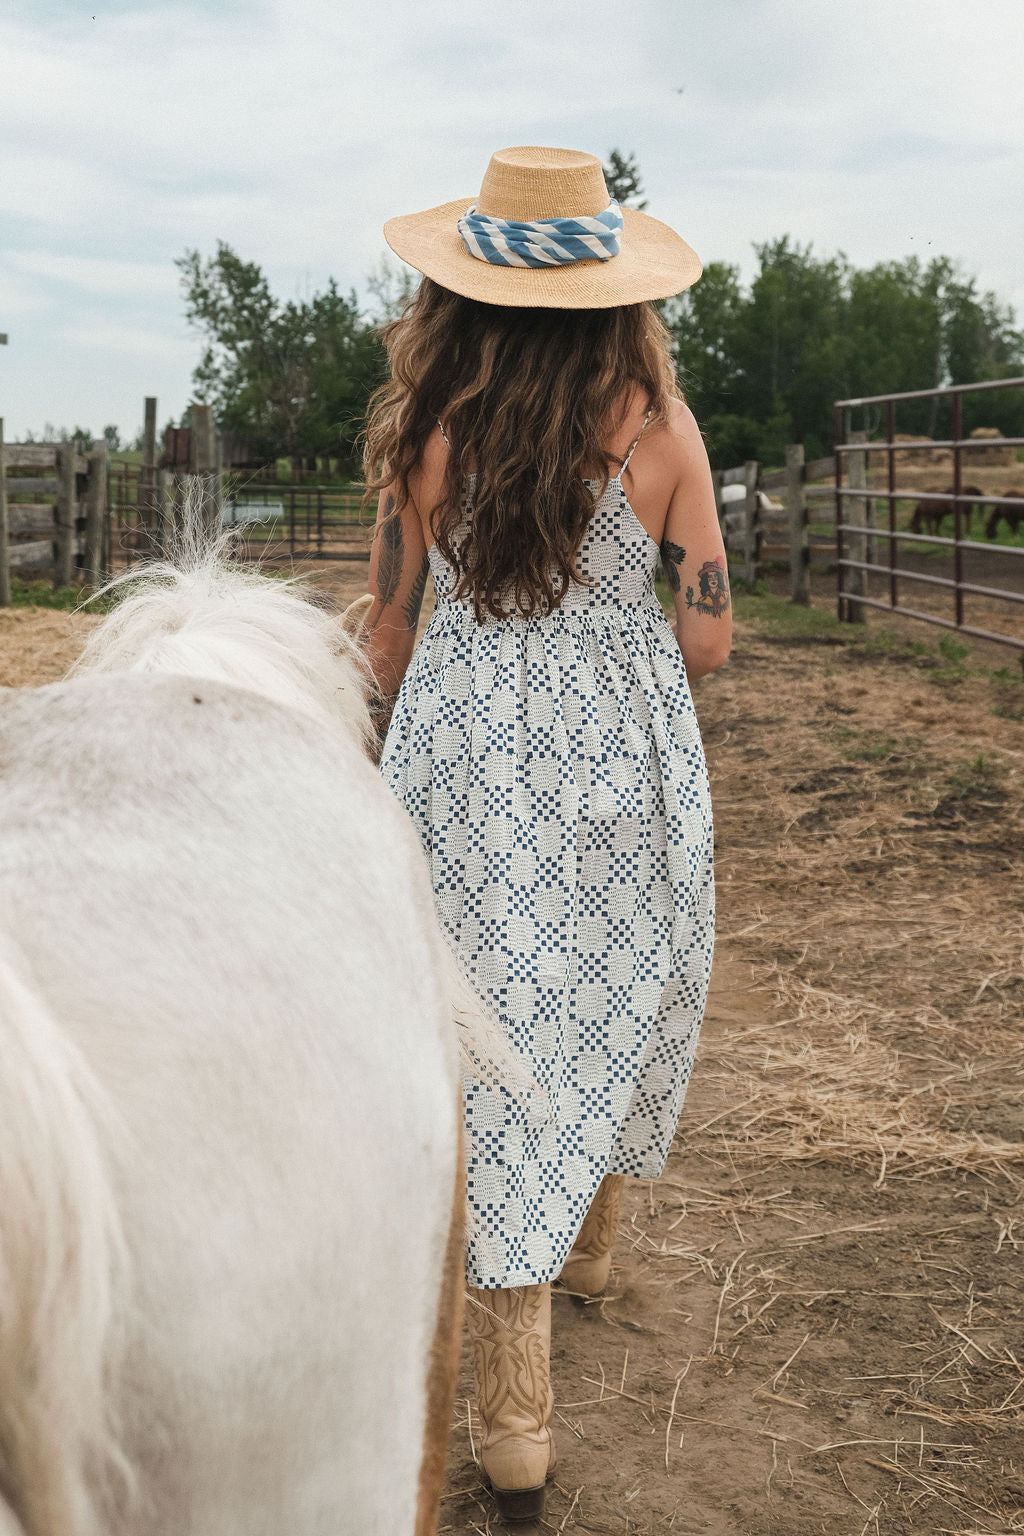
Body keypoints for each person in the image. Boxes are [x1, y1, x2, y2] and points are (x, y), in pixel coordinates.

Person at [361, 145, 730, 1523]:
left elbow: (389, 628)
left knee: (484, 1011)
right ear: (619, 298)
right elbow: (708, 637)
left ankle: (517, 1407)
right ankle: (573, 1268)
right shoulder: (662, 436)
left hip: (460, 759)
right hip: (619, 761)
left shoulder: (430, 434)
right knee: (610, 980)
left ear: (461, 300)